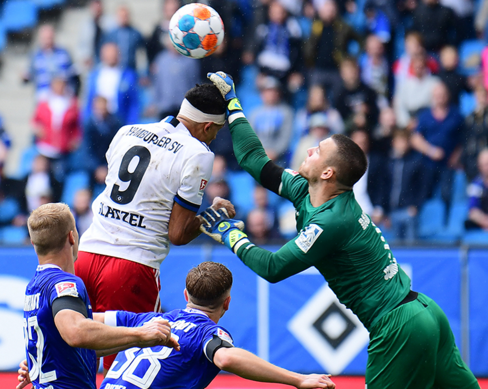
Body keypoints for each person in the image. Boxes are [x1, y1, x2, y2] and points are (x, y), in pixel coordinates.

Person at [202, 70, 480, 388]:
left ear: (328, 172)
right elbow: (254, 159)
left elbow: (274, 267)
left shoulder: (331, 221)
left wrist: (229, 233)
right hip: (425, 311)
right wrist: (233, 104)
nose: (309, 151)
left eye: (317, 151)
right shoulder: (306, 190)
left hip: (398, 326)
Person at [75, 83, 235, 372]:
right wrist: (210, 217)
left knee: (76, 356)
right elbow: (178, 233)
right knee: (128, 365)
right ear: (208, 126)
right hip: (132, 266)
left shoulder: (128, 131)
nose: (213, 139)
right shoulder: (198, 153)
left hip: (86, 255)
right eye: (215, 132)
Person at [18, 262, 335, 389]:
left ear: (185, 295)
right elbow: (225, 357)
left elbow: (81, 325)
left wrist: (39, 357)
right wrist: (298, 380)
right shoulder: (210, 334)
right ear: (227, 303)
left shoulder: (151, 321)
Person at [20, 203, 179, 389]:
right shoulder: (66, 284)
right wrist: (140, 334)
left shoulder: (34, 286)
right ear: (72, 236)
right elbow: (76, 332)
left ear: (33, 243)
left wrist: (139, 339)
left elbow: (73, 344)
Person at [410, 82, 463, 208]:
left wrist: (456, 157)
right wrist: (431, 151)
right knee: (425, 195)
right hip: (427, 164)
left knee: (447, 196)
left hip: (448, 164)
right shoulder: (425, 115)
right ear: (433, 97)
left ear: (448, 96)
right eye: (437, 95)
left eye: (443, 95)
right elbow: (415, 139)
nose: (440, 97)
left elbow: (462, 140)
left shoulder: (456, 115)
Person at [303, 0, 360, 99]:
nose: (329, 11)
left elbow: (360, 39)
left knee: (337, 98)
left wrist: (353, 58)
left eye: (331, 9)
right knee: (315, 98)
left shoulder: (343, 27)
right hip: (318, 68)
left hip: (336, 69)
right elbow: (307, 48)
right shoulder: (315, 26)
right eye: (326, 9)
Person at [32, 76, 81, 181]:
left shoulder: (71, 103)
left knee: (59, 178)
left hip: (62, 149)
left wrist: (75, 139)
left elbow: (76, 125)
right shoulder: (44, 102)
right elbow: (35, 120)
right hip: (45, 147)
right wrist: (38, 130)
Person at [84, 42, 140, 126]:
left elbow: (134, 102)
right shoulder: (95, 75)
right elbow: (89, 100)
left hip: (118, 119)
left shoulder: (127, 75)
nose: (111, 56)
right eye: (108, 53)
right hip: (98, 120)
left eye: (113, 53)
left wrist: (131, 122)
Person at [24, 25, 77, 100]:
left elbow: (73, 73)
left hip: (63, 95)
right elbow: (29, 74)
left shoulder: (64, 53)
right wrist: (25, 77)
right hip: (43, 95)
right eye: (45, 38)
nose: (48, 41)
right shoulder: (35, 56)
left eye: (50, 38)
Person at [249, 76, 294, 162]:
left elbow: (285, 137)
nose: (271, 94)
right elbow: (251, 137)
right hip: (258, 157)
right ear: (262, 94)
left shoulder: (286, 112)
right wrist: (260, 152)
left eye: (274, 91)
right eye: (268, 91)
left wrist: (275, 152)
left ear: (278, 93)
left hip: (279, 158)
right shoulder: (254, 114)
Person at [393, 53, 439, 129]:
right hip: (409, 121)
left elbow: (436, 105)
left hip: (428, 120)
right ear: (412, 67)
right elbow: (399, 105)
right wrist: (407, 122)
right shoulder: (404, 85)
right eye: (416, 67)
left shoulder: (434, 83)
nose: (419, 69)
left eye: (421, 67)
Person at [103, 6, 145, 71]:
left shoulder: (135, 33)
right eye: (121, 16)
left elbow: (142, 53)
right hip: (115, 69)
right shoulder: (111, 34)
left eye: (125, 16)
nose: (123, 18)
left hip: (131, 68)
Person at [463, 86, 488, 181]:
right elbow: (468, 136)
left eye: (483, 96)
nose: (481, 99)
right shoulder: (470, 117)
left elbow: (483, 132)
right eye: (479, 97)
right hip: (473, 156)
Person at [466, 148, 488, 231]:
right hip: (482, 224)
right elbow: (473, 212)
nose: (486, 167)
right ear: (479, 166)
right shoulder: (475, 185)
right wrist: (485, 222)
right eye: (484, 164)